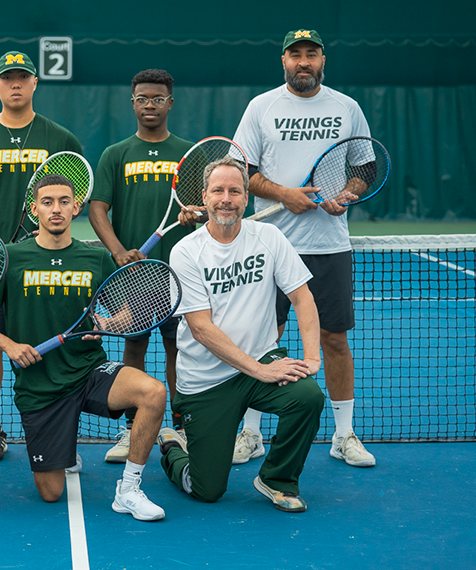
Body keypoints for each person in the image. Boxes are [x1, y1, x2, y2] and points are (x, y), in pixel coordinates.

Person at [0, 174, 167, 521]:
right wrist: (10, 345)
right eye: (47, 202)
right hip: (40, 387)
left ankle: (130, 489)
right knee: (50, 493)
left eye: (63, 201)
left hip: (88, 372)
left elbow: (126, 313)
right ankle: (63, 442)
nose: (56, 209)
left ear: (76, 208)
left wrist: (107, 324)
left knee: (153, 392)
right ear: (34, 210)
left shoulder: (96, 259)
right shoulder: (10, 257)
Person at [231, 29, 376, 468]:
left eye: (311, 54)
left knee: (334, 339)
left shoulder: (346, 107)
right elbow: (243, 171)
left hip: (329, 245)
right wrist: (284, 194)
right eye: (295, 55)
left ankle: (344, 435)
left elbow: (364, 167)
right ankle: (251, 433)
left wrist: (347, 193)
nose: (303, 62)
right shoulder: (262, 107)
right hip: (269, 245)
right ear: (284, 62)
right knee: (261, 339)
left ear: (323, 60)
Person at [159, 156, 325, 512]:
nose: (226, 198)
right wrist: (260, 370)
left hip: (259, 360)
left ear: (246, 198)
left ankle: (276, 479)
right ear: (203, 197)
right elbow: (201, 329)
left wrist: (313, 357)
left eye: (235, 191)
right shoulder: (186, 251)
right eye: (217, 190)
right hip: (206, 380)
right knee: (207, 490)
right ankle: (173, 447)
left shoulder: (268, 237)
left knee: (308, 397)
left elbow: (302, 297)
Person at [0, 51, 82, 462]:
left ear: (35, 83)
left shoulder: (60, 139)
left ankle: (56, 420)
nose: (15, 83)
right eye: (8, 78)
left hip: (42, 262)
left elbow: (73, 199)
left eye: (23, 77)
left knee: (51, 342)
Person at [89, 69, 194, 463]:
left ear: (170, 103)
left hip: (183, 275)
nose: (150, 105)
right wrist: (118, 250)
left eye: (158, 98)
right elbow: (97, 207)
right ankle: (132, 427)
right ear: (132, 103)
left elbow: (203, 207)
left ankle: (180, 427)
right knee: (134, 345)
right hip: (135, 273)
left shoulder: (188, 154)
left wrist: (194, 216)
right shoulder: (116, 154)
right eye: (143, 98)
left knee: (179, 348)